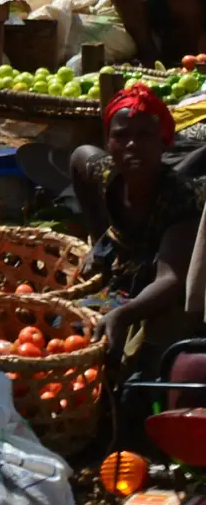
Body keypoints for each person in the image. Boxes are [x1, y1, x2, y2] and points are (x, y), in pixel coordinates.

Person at [71, 82, 204, 370]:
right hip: (127, 270)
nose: (132, 144)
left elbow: (171, 279)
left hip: (168, 288)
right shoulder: (108, 175)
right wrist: (98, 235)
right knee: (68, 325)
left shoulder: (180, 198)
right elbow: (79, 157)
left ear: (164, 142)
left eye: (144, 135)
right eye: (121, 136)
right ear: (109, 142)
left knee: (146, 353)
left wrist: (122, 315)